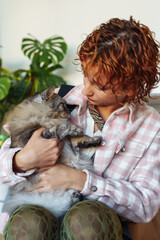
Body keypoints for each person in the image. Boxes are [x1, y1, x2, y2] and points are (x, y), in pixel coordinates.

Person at [0, 16, 160, 240]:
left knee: (87, 219)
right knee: (29, 222)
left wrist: (79, 180)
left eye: (100, 85)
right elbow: (4, 161)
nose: (85, 91)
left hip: (99, 226)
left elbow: (145, 205)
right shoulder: (59, 97)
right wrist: (23, 159)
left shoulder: (151, 126)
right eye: (86, 76)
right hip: (38, 210)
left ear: (131, 88)